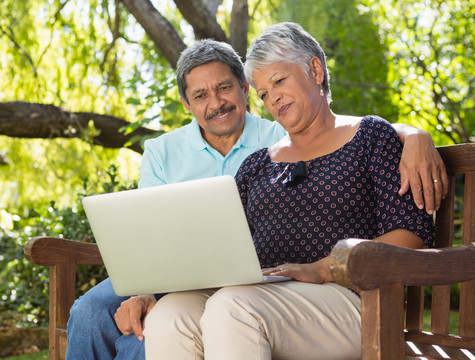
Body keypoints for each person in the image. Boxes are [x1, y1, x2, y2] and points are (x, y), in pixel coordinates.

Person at [67, 38, 446, 359]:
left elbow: (412, 234)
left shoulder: (370, 137)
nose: (273, 98)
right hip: (265, 292)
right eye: (265, 92)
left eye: (279, 81)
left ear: (316, 71)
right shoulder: (258, 164)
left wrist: (326, 266)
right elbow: (231, 247)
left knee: (231, 308)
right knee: (170, 315)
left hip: (353, 296)